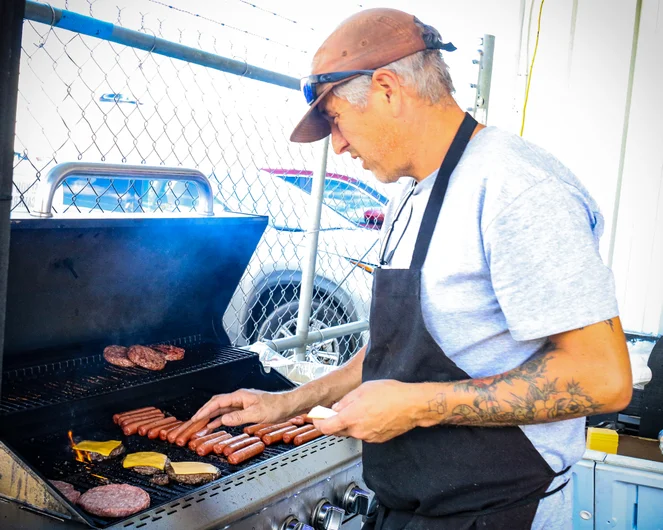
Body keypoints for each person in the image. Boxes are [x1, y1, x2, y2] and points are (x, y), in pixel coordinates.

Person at [194, 8, 632, 529]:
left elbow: (602, 378)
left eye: (335, 119)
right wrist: (290, 401)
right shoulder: (415, 193)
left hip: (501, 510)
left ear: (386, 88)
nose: (338, 144)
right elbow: (392, 349)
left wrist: (419, 406)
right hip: (418, 505)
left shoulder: (515, 188)